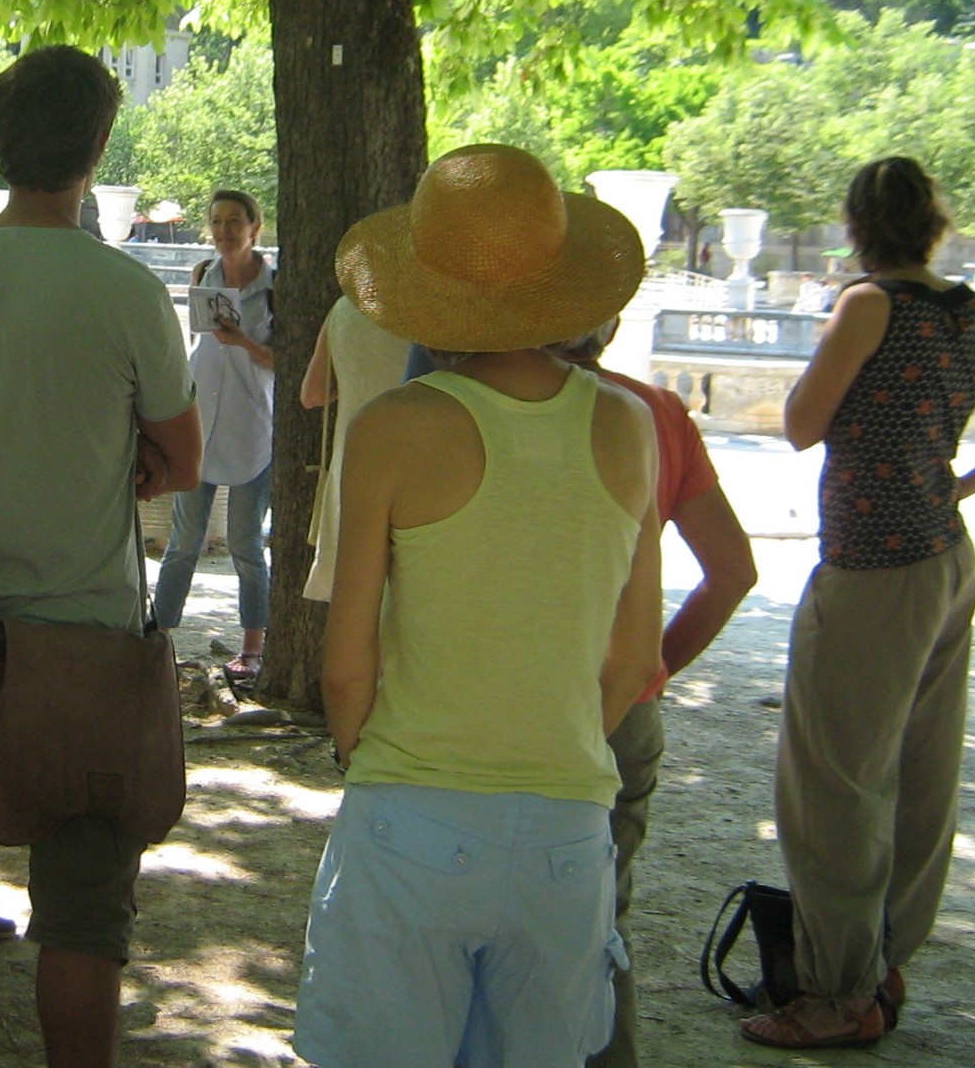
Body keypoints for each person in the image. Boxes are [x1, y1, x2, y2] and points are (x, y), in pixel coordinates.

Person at [294, 143, 663, 1068]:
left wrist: (371, 760)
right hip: (567, 823)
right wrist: (553, 743)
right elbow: (632, 654)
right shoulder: (627, 425)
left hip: (411, 803)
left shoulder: (396, 426)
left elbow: (346, 663)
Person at [0, 47, 202, 1068]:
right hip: (89, 639)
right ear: (98, 144)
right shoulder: (127, 290)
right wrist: (115, 464)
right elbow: (180, 460)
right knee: (80, 917)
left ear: (0, 140)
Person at [743, 156, 975, 1050]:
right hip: (946, 556)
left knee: (833, 783)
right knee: (921, 776)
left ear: (857, 224)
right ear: (935, 225)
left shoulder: (867, 305)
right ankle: (884, 961)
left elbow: (801, 424)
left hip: (871, 565)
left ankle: (837, 992)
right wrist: (965, 484)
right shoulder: (969, 313)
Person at [550, 319, 756, 1068]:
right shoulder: (655, 414)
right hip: (623, 710)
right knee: (603, 923)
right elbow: (731, 571)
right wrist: (648, 667)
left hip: (495, 705)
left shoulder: (456, 407)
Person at [152, 189, 276, 685]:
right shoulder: (203, 273)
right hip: (200, 423)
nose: (224, 231)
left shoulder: (273, 285)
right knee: (183, 541)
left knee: (246, 544)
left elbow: (288, 359)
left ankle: (253, 649)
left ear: (253, 227)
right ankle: (158, 638)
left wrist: (242, 341)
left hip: (252, 429)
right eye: (217, 221)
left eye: (234, 222)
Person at [297, 296, 407, 602]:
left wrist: (352, 384)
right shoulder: (438, 311)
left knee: (356, 596)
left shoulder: (345, 308)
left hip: (354, 464)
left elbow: (312, 394)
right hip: (418, 465)